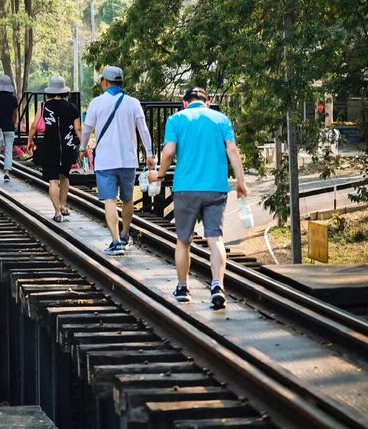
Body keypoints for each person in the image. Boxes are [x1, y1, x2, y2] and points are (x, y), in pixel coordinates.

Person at [148, 86, 248, 310]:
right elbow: (232, 150)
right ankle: (217, 286)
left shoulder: (176, 119)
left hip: (186, 188)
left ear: (185, 103)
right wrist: (241, 181)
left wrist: (160, 175)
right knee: (215, 239)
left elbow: (168, 152)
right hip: (215, 188)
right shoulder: (221, 119)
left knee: (183, 240)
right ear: (208, 102)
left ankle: (183, 288)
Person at [80, 66, 155, 255]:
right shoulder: (133, 103)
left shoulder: (97, 103)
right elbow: (143, 130)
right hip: (128, 160)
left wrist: (82, 148)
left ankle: (115, 241)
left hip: (106, 161)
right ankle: (125, 234)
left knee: (109, 200)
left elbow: (87, 129)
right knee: (128, 198)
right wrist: (149, 154)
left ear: (105, 82)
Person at [26, 76, 82, 222]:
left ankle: (57, 212)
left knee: (53, 180)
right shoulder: (72, 107)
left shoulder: (44, 106)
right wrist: (82, 146)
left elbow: (33, 126)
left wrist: (29, 141)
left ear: (50, 91)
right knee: (64, 176)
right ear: (64, 92)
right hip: (67, 147)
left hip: (49, 147)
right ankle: (63, 205)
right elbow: (78, 129)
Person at [0, 74, 19, 182]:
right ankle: (6, 173)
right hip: (10, 127)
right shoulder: (13, 99)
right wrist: (14, 124)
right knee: (8, 150)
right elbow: (15, 114)